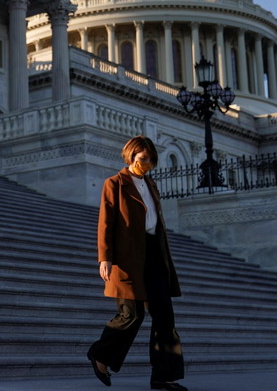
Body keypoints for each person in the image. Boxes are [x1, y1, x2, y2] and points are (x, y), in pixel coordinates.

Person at [87, 135, 187, 390]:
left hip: (154, 253)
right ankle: (100, 355)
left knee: (165, 317)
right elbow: (105, 223)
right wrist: (105, 258)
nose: (147, 164)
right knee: (131, 315)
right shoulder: (115, 184)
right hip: (127, 258)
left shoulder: (151, 184)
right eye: (143, 159)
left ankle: (164, 376)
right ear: (131, 157)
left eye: (151, 160)